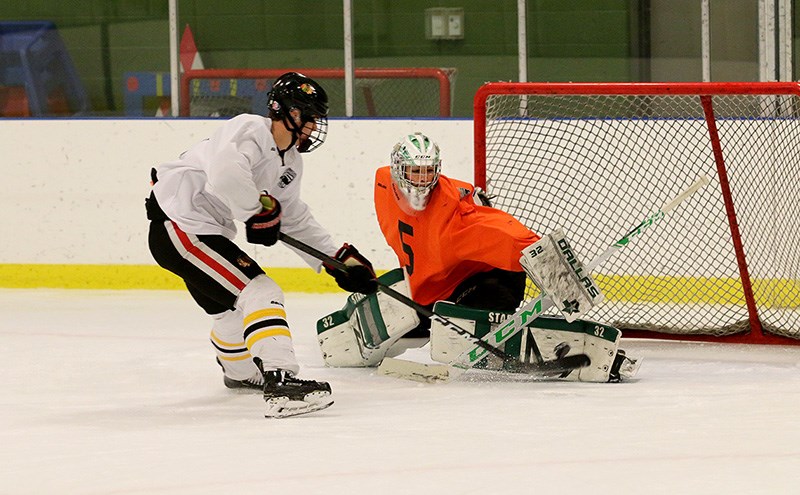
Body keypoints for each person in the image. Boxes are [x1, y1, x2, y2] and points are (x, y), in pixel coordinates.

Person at [145, 72, 377, 418]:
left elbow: (293, 216)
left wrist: (337, 260)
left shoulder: (290, 163)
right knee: (260, 290)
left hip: (197, 230)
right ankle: (281, 381)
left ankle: (239, 372)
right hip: (181, 226)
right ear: (289, 113)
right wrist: (256, 211)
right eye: (310, 118)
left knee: (227, 309)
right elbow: (225, 174)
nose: (315, 127)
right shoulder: (249, 130)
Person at [374, 132, 541, 333]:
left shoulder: (451, 214)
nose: (423, 179)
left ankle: (493, 329)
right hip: (428, 291)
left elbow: (507, 236)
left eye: (429, 170)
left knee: (494, 296)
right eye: (415, 170)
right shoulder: (384, 183)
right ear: (398, 170)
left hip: (476, 281)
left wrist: (545, 258)